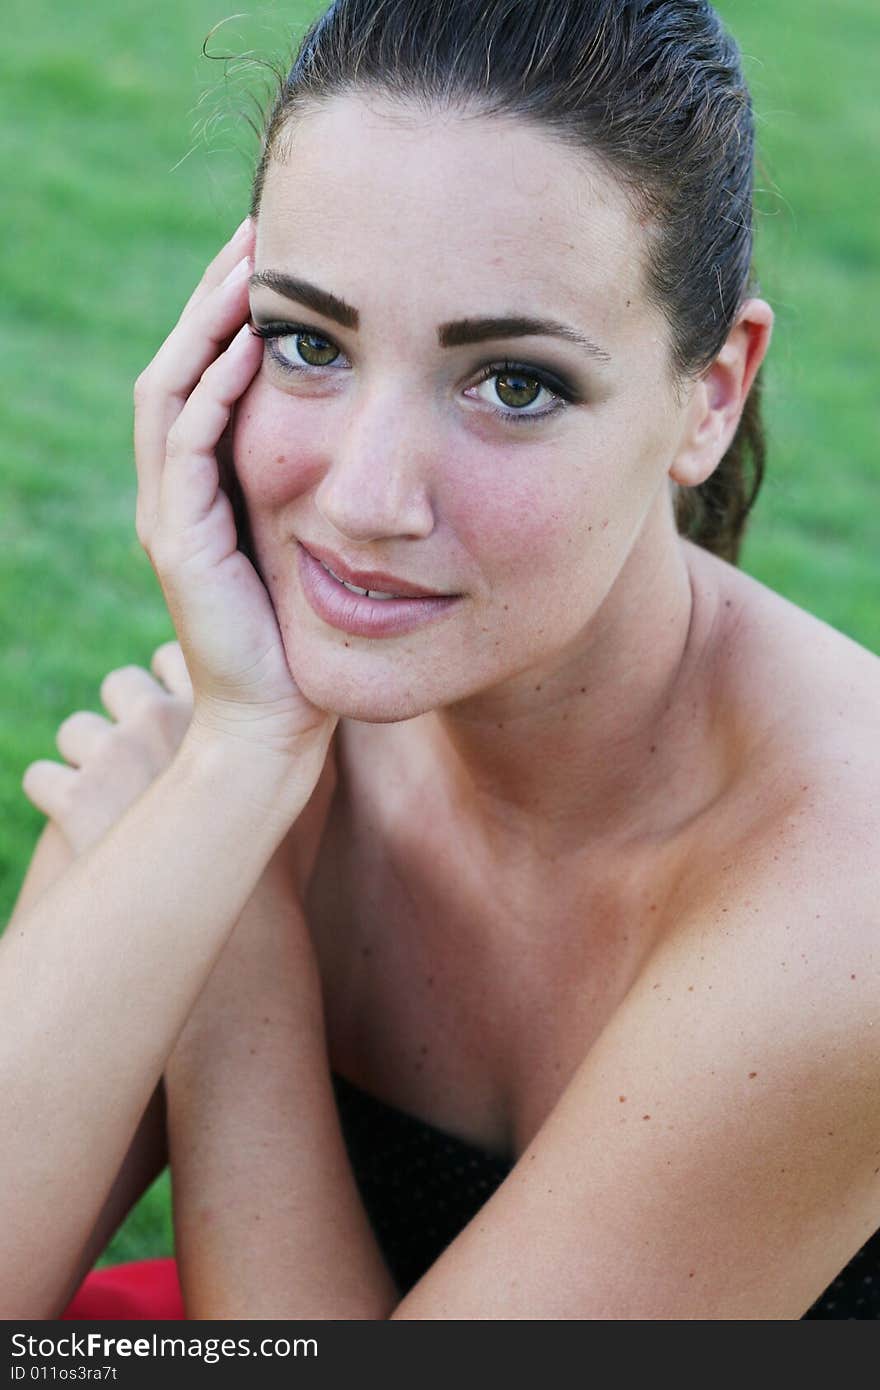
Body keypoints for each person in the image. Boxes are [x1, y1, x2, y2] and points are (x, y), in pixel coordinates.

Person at [4, 0, 879, 1320]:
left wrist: (234, 976)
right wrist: (233, 772)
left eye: (513, 382)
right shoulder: (236, 733)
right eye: (310, 342)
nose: (364, 499)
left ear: (713, 392)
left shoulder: (846, 898)